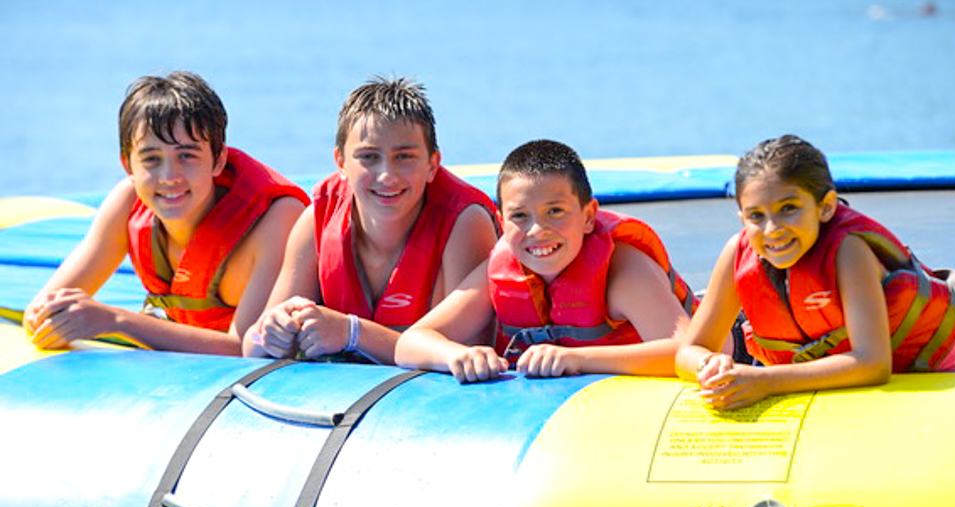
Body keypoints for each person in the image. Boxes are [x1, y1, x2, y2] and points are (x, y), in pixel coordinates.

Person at [676, 134, 955, 410]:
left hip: (949, 340)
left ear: (827, 207)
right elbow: (689, 350)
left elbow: (872, 364)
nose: (772, 229)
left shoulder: (848, 251)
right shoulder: (737, 253)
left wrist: (764, 381)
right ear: (741, 217)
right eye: (756, 216)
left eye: (789, 209)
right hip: (840, 359)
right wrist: (712, 367)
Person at [23, 71, 309, 354]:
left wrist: (116, 321)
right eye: (151, 159)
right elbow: (41, 310)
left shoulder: (276, 218)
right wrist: (59, 319)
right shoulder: (128, 203)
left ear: (218, 160)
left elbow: (245, 349)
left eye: (187, 155)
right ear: (128, 166)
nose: (169, 176)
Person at [243, 76, 499, 364]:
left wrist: (351, 333)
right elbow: (250, 346)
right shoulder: (317, 219)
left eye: (404, 156)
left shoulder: (465, 223)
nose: (387, 175)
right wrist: (271, 331)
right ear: (341, 163)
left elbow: (465, 355)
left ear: (432, 164)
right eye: (368, 157)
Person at [395, 139, 695, 383]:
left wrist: (577, 360)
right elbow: (410, 344)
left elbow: (688, 351)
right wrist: (455, 355)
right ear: (501, 222)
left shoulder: (623, 270)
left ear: (588, 216)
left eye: (555, 212)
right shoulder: (500, 270)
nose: (537, 231)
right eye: (520, 216)